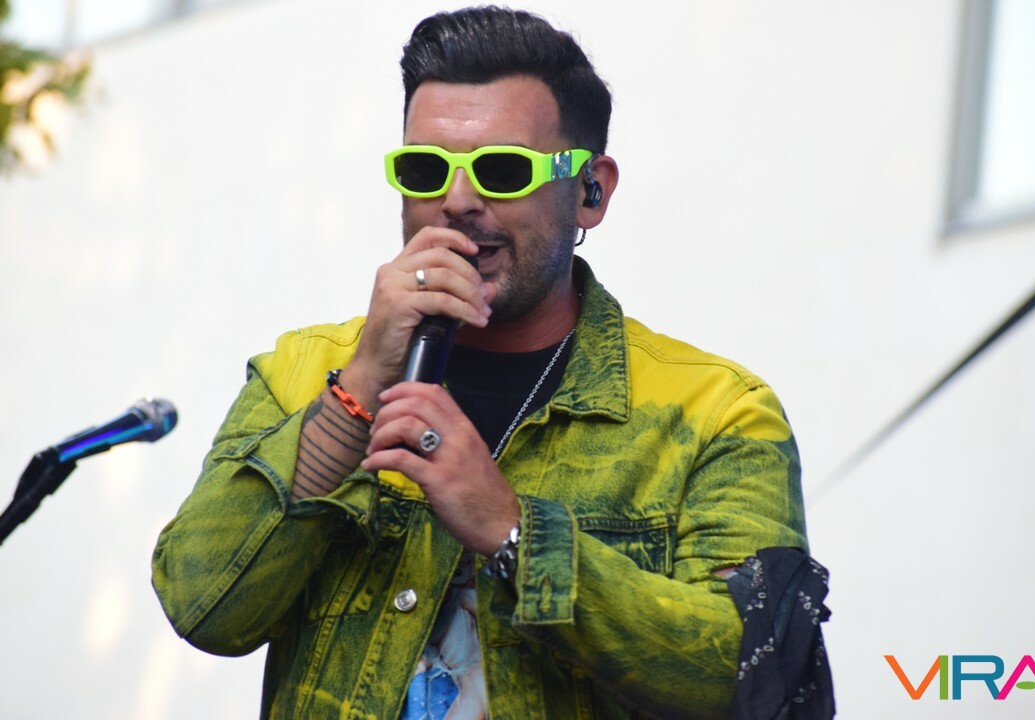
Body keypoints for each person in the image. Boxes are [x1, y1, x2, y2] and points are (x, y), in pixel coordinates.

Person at [152, 7, 815, 719]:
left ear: (589, 191)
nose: (457, 202)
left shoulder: (715, 414)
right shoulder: (301, 372)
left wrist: (513, 531)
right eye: (425, 169)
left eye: (502, 170)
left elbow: (758, 676)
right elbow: (203, 606)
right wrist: (360, 389)